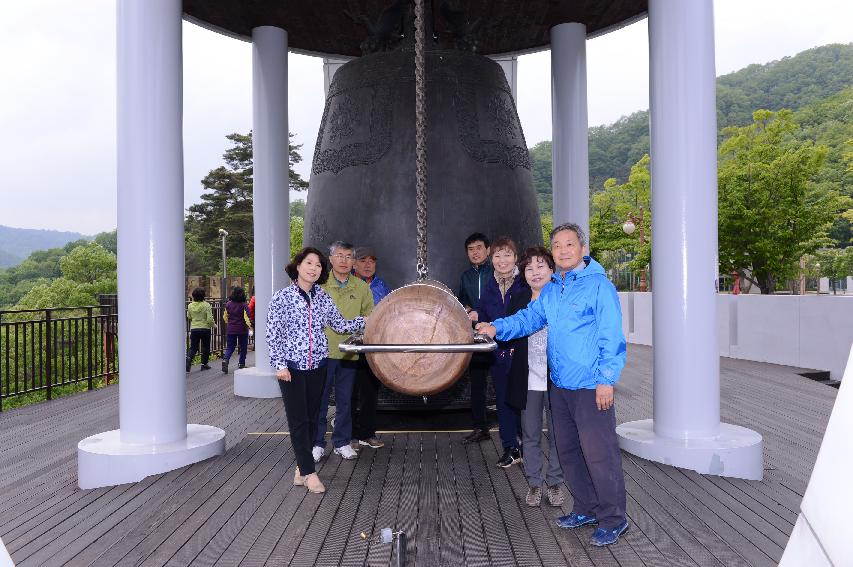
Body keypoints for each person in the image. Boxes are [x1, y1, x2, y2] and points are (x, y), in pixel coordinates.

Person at [476, 223, 629, 547]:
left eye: (569, 244)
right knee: (570, 452)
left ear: (582, 249)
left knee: (600, 455)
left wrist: (606, 381)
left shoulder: (598, 286)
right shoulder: (552, 289)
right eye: (556, 245)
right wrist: (495, 327)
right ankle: (586, 507)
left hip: (590, 386)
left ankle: (614, 518)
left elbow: (611, 336)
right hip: (559, 385)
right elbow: (528, 319)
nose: (562, 251)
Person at [267, 247, 366, 494]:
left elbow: (341, 325)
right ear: (298, 266)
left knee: (313, 419)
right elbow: (273, 334)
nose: (314, 268)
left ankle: (301, 470)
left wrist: (369, 320)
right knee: (299, 421)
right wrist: (279, 365)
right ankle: (310, 473)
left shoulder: (322, 297)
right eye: (309, 263)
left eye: (318, 265)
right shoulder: (282, 297)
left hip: (319, 365)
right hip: (291, 368)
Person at [504, 247, 565, 507]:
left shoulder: (562, 296)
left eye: (541, 266)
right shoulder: (518, 298)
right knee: (530, 432)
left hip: (558, 376)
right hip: (528, 375)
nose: (535, 272)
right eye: (529, 268)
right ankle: (534, 482)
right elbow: (511, 327)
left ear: (552, 270)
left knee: (559, 432)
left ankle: (554, 482)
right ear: (523, 274)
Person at [313, 241, 374, 462]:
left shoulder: (361, 287)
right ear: (330, 259)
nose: (344, 261)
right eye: (339, 256)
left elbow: (370, 317)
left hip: (349, 354)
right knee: (319, 401)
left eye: (349, 256)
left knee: (345, 401)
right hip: (323, 353)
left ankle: (341, 442)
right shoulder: (319, 287)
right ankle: (316, 443)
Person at [470, 236, 526, 467]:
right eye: (497, 256)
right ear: (491, 259)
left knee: (523, 402)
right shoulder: (490, 286)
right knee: (503, 401)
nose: (502, 261)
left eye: (507, 255)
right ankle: (510, 446)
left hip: (522, 353)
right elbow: (483, 315)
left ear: (515, 257)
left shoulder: (525, 283)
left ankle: (527, 443)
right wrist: (476, 319)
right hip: (498, 354)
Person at [350, 246, 390, 451]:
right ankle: (350, 435)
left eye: (372, 261)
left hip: (373, 346)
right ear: (354, 264)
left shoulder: (382, 286)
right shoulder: (349, 286)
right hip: (351, 346)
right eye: (363, 260)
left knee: (369, 391)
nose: (368, 264)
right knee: (349, 392)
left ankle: (367, 433)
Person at [457, 232, 493, 444]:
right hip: (476, 337)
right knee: (477, 383)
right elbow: (463, 301)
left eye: (479, 248)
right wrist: (468, 309)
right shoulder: (465, 277)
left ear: (488, 250)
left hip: (499, 335)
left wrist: (482, 312)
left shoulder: (496, 272)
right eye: (471, 249)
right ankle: (481, 427)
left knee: (503, 381)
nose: (475, 252)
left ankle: (516, 429)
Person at [222, 286, 252, 373]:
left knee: (230, 347)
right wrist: (250, 326)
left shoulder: (228, 304)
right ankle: (241, 363)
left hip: (231, 329)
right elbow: (247, 318)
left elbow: (225, 317)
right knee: (243, 347)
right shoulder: (244, 305)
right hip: (242, 329)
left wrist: (230, 323)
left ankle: (225, 359)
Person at [186, 286, 215, 372]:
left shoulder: (190, 305)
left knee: (193, 347)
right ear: (203, 296)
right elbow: (209, 319)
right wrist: (213, 325)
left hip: (194, 328)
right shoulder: (206, 305)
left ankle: (188, 358)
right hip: (205, 328)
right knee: (205, 346)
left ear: (193, 296)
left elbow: (189, 316)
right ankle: (204, 364)